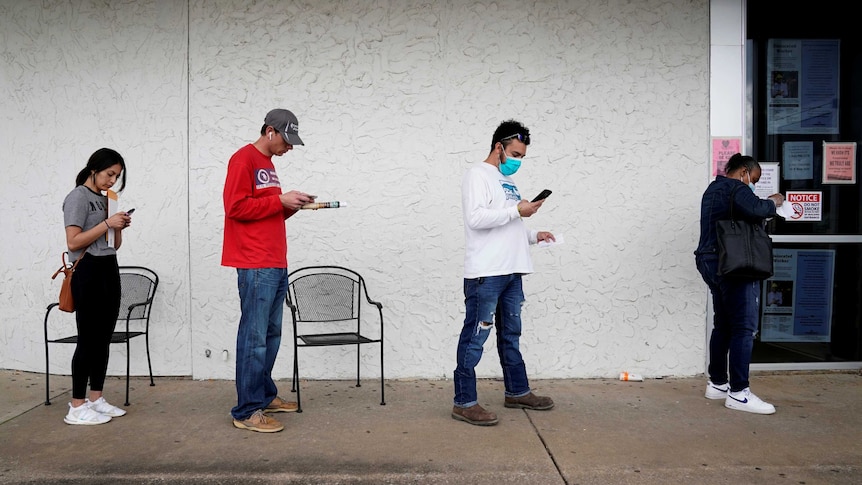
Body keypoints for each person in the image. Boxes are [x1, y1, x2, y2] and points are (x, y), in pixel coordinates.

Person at [452, 120, 556, 426]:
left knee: (511, 334)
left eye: (522, 156)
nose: (517, 161)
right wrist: (516, 211)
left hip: (513, 271)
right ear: (499, 147)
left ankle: (517, 391)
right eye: (514, 154)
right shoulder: (477, 175)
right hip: (487, 272)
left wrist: (534, 234)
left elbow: (508, 224)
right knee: (475, 337)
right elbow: (476, 219)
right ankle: (464, 402)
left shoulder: (505, 182)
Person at [222, 108, 316, 433]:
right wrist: (280, 201)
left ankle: (263, 394)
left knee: (270, 334)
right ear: (270, 131)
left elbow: (265, 213)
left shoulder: (269, 166)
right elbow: (235, 208)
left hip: (275, 260)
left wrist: (292, 207)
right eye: (287, 140)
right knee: (254, 336)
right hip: (255, 262)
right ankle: (247, 411)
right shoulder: (243, 159)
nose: (289, 148)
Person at [694, 153, 785, 414]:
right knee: (743, 327)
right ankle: (739, 392)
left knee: (723, 324)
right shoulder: (736, 187)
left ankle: (718, 383)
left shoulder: (714, 189)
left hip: (711, 261)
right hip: (734, 265)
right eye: (753, 179)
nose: (752, 184)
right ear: (744, 171)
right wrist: (774, 202)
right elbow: (757, 209)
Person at [61, 148, 133, 425]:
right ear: (94, 169)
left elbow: (112, 245)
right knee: (88, 338)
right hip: (87, 269)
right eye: (109, 174)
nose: (112, 181)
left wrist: (118, 228)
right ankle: (76, 406)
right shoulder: (77, 197)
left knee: (104, 337)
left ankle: (96, 398)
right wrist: (106, 223)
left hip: (107, 267)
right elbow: (73, 243)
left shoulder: (106, 200)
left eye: (116, 176)